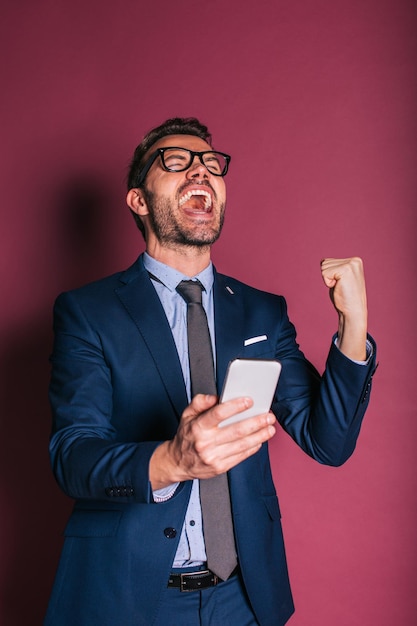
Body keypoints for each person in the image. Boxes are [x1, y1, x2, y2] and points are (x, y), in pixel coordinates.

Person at [45, 117, 377, 626]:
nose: (200, 170)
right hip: (130, 596)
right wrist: (172, 460)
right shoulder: (87, 312)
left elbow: (327, 440)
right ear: (138, 200)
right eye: (176, 161)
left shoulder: (262, 311)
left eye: (210, 164)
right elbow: (73, 456)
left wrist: (354, 326)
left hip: (244, 598)